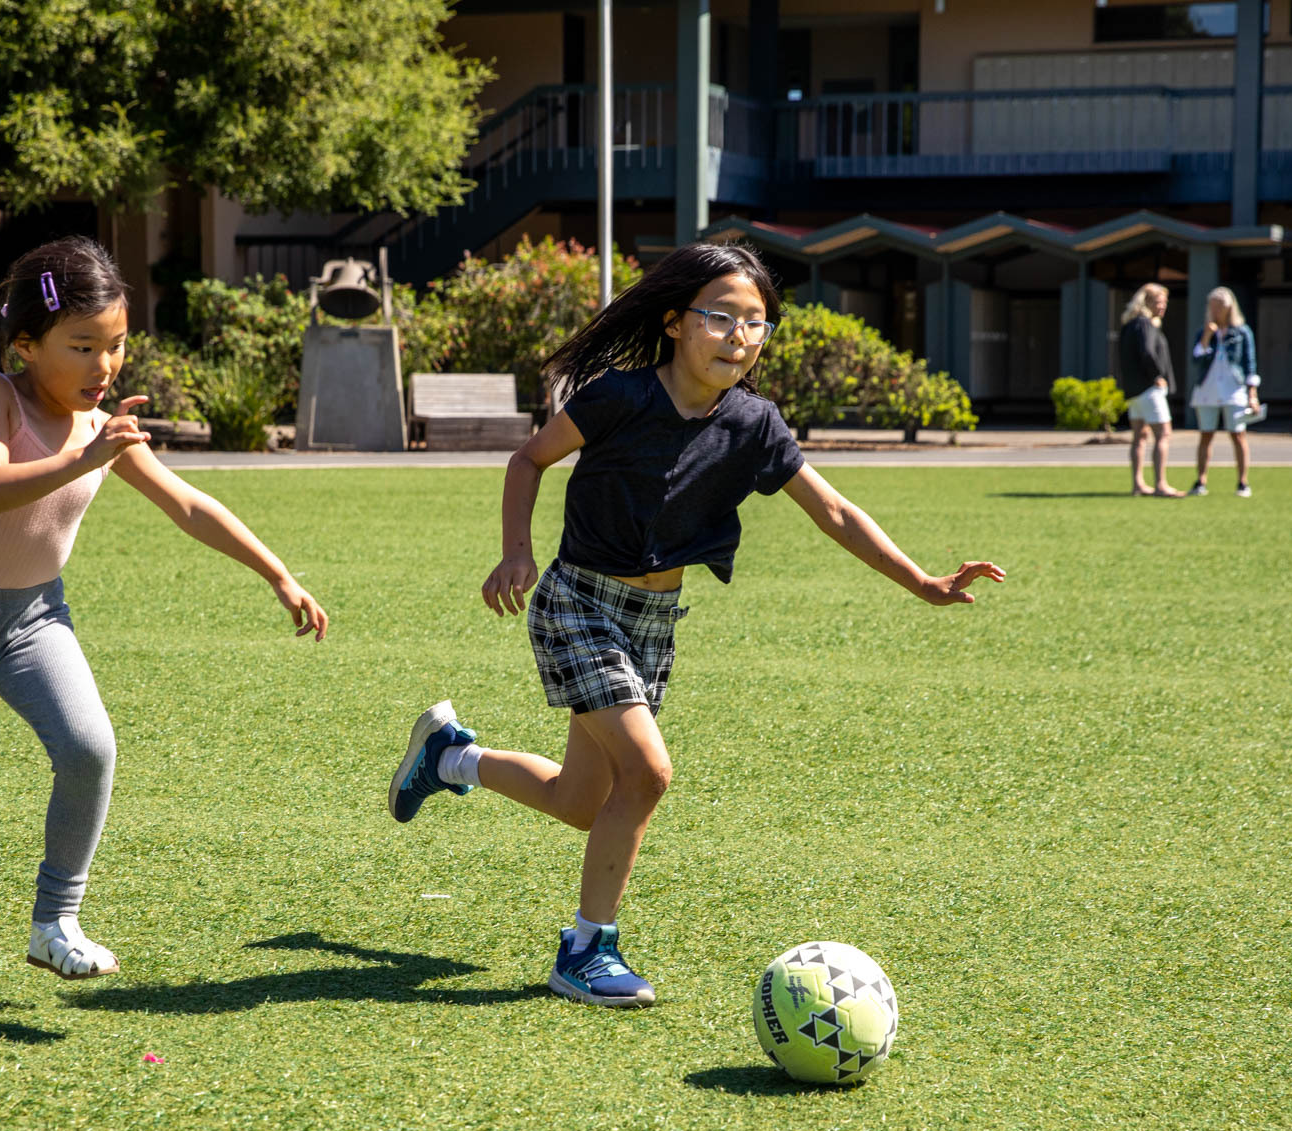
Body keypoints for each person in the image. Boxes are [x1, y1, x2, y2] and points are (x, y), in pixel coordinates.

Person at [384, 242, 1005, 1009]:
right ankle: (586, 951)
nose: (739, 337)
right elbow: (528, 461)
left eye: (756, 323)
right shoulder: (620, 396)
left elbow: (836, 512)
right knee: (648, 773)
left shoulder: (754, 423)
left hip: (653, 622)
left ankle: (450, 757)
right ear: (675, 323)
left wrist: (923, 582)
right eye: (720, 317)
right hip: (579, 603)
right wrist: (517, 553)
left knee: (582, 801)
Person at [0, 237, 329, 988]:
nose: (105, 366)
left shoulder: (101, 429)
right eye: (83, 346)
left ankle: (55, 925)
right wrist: (85, 458)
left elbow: (188, 505)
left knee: (89, 750)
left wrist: (278, 574)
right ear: (27, 345)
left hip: (34, 621)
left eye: (117, 345)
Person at [1186, 287, 1261, 498]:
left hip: (1233, 390)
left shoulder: (1242, 332)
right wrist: (1207, 336)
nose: (1216, 310)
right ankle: (1201, 481)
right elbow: (1196, 360)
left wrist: (1252, 394)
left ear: (1230, 307)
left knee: (1238, 435)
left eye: (1220, 306)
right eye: (1213, 306)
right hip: (1207, 389)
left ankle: (1243, 482)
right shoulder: (1204, 331)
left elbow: (1250, 364)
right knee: (1206, 435)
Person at [1117, 283, 1180, 498]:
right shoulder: (1145, 324)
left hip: (1134, 391)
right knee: (1163, 433)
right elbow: (1147, 352)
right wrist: (1157, 377)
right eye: (1158, 302)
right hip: (1148, 389)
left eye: (1164, 302)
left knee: (1140, 436)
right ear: (1147, 302)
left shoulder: (1130, 324)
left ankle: (1138, 484)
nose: (1163, 306)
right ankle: (1160, 484)